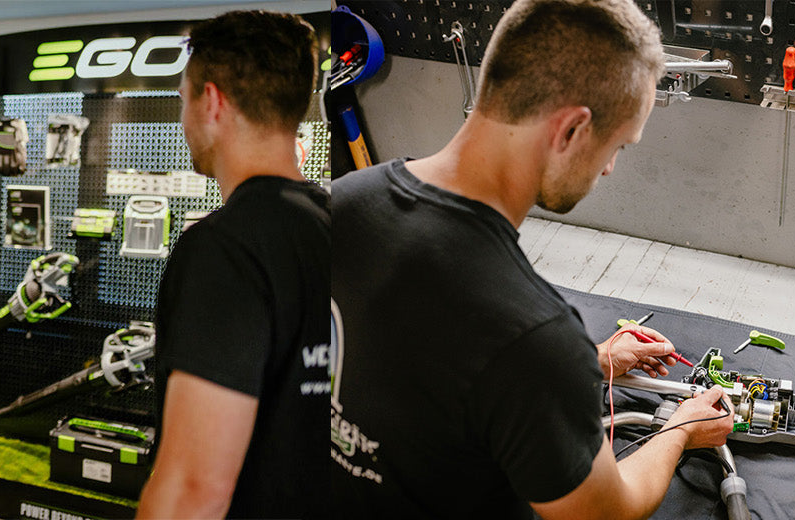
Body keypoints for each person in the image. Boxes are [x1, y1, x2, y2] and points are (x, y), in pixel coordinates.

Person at [323, 0, 733, 517]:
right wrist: (679, 430)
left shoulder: (341, 200)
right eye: (617, 147)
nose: (607, 169)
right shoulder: (534, 337)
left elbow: (415, 358)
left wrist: (590, 361)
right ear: (570, 131)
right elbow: (605, 510)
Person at [133, 11, 330, 519]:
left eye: (183, 100)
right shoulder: (335, 223)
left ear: (212, 102)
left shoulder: (224, 249)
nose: (183, 119)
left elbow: (194, 491)